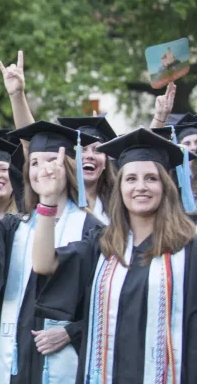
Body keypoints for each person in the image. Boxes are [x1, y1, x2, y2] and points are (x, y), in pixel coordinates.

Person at [32, 128, 197, 383]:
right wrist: (48, 201)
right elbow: (44, 264)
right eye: (130, 179)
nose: (140, 187)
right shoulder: (103, 244)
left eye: (151, 178)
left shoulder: (189, 247)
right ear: (119, 187)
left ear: (165, 186)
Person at [0, 120, 102, 384]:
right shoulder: (16, 227)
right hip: (14, 353)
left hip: (64, 355)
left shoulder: (92, 230)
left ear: (68, 167)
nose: (41, 169)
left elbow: (103, 304)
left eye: (49, 161)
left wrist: (73, 331)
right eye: (33, 163)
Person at [58, 116, 118, 224]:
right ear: (69, 158)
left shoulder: (117, 204)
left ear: (105, 162)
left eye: (98, 150)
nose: (90, 155)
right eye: (82, 149)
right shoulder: (58, 199)